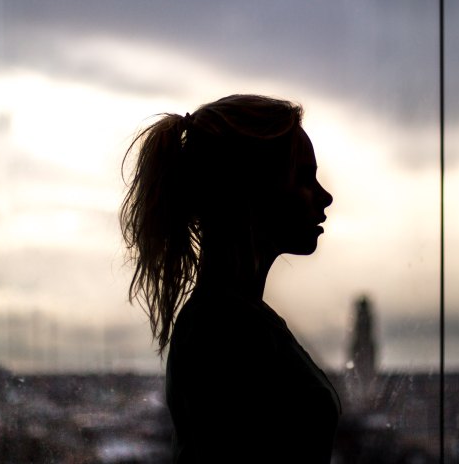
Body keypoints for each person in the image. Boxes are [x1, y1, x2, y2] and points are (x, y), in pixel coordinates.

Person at [120, 94, 340, 462]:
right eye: (303, 178)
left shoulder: (226, 319)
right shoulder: (226, 329)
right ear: (251, 191)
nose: (325, 196)